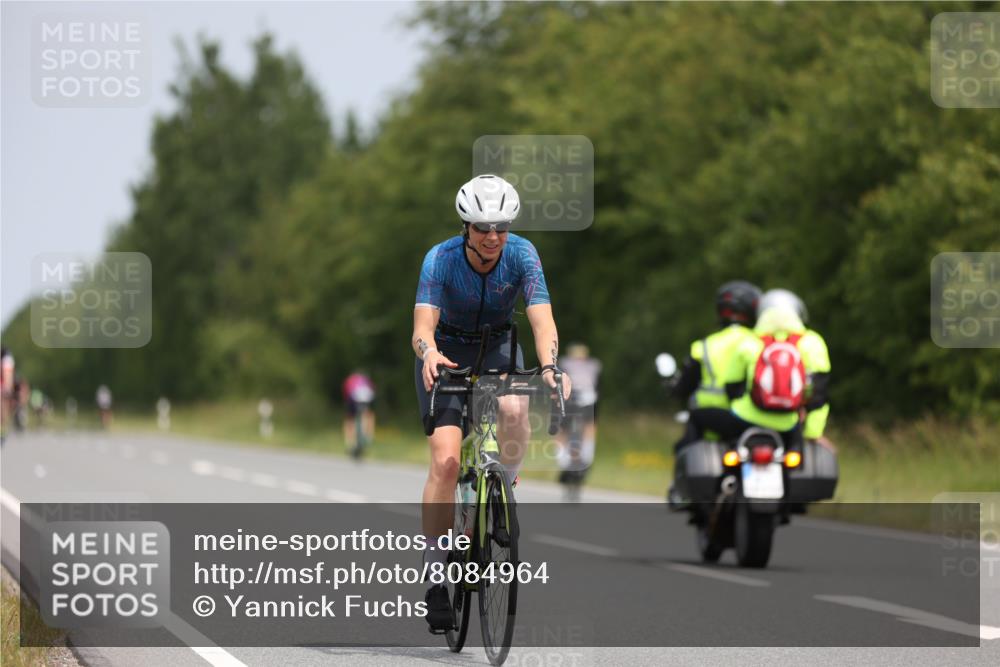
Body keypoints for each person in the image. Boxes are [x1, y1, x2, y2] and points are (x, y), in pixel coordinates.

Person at [411, 174, 571, 632]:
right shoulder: (440, 260)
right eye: (483, 227)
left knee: (516, 409)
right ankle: (435, 572)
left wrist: (550, 368)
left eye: (501, 226)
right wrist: (429, 353)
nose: (493, 236)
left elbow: (543, 321)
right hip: (444, 353)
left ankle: (503, 487)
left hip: (498, 345)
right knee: (444, 463)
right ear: (466, 226)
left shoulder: (522, 254)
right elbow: (422, 327)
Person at [686, 288, 830, 450]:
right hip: (789, 426)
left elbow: (732, 388)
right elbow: (819, 396)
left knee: (697, 417)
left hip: (745, 420)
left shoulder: (750, 341)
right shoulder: (812, 342)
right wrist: (812, 433)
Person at [672, 281, 761, 451]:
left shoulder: (704, 345)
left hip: (712, 424)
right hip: (757, 419)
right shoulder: (761, 343)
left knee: (684, 447)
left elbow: (684, 385)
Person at [556, 343, 601, 500]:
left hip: (571, 402)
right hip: (588, 403)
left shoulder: (564, 364)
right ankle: (586, 456)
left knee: (561, 430)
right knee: (589, 427)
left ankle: (563, 459)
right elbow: (598, 387)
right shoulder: (594, 365)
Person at [342, 371, 376, 456]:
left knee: (350, 420)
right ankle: (368, 435)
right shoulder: (366, 379)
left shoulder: (349, 380)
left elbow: (346, 394)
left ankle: (350, 443)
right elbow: (373, 389)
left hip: (353, 396)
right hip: (367, 395)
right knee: (368, 414)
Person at [0, 347, 13, 441]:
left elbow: (7, 374)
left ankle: (2, 431)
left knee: (3, 408)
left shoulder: (7, 359)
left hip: (3, 384)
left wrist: (7, 388)